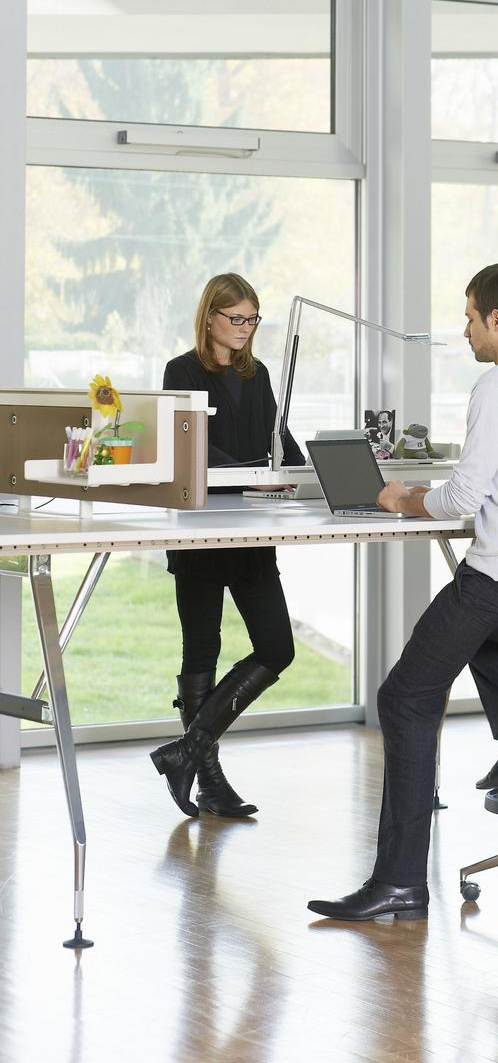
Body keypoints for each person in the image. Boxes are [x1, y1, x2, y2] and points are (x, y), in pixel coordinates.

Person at [308, 262, 498, 920]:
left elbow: (464, 496)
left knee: (404, 697)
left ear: (497, 320)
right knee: (462, 630)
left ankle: (400, 882)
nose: (465, 331)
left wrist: (403, 499)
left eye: (469, 317)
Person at [150, 273, 304, 819]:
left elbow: (278, 439)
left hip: (251, 532)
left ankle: (186, 752)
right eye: (236, 318)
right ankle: (209, 781)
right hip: (197, 531)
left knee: (277, 646)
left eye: (252, 319)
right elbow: (188, 446)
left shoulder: (258, 374)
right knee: (202, 652)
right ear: (209, 317)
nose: (244, 329)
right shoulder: (181, 371)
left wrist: (307, 468)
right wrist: (255, 475)